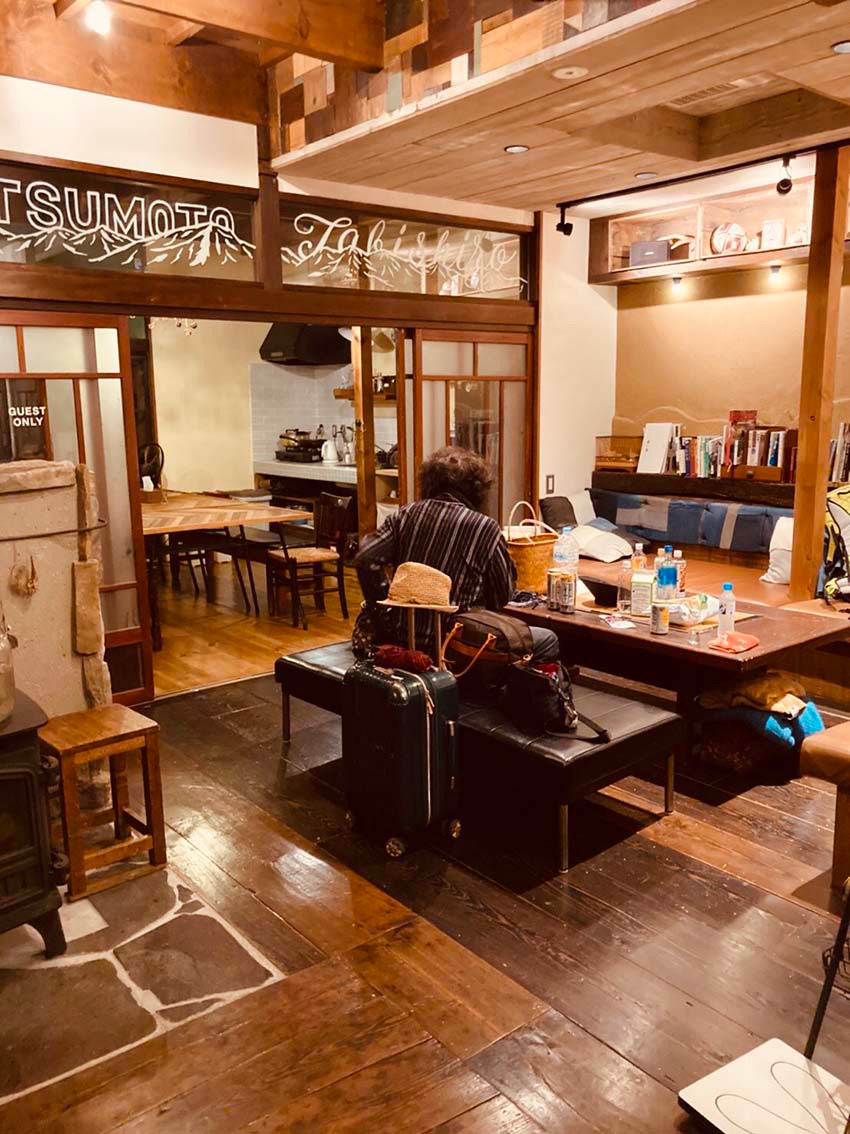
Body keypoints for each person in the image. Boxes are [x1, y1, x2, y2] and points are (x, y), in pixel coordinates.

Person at [356, 445, 559, 662]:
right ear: (477, 490)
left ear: (429, 483)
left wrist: (384, 606)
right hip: (457, 643)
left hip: (402, 638)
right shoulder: (484, 527)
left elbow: (366, 557)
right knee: (548, 639)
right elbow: (502, 596)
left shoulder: (405, 515)